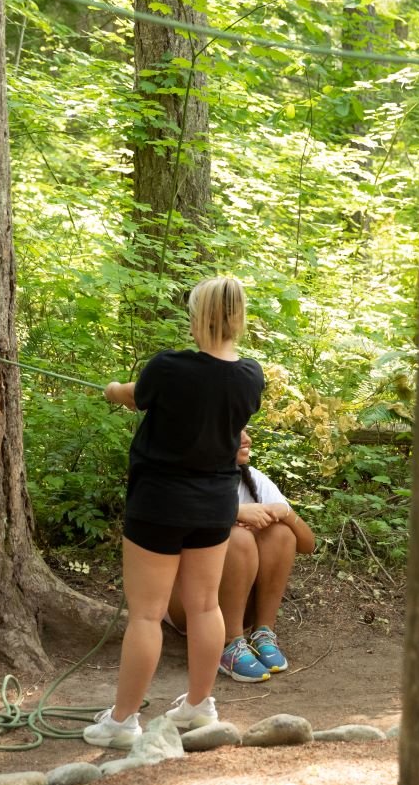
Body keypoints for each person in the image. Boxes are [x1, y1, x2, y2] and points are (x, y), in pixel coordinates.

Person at [87, 276, 266, 748]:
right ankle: (199, 706)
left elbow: (133, 395)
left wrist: (110, 389)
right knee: (206, 605)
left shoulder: (167, 367)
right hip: (214, 505)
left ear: (198, 316)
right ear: (237, 318)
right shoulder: (251, 375)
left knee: (146, 615)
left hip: (159, 503)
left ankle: (122, 722)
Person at [166, 429, 315, 681]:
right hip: (188, 603)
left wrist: (286, 512)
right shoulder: (185, 480)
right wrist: (233, 512)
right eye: (235, 432)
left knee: (281, 533)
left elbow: (307, 545)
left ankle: (263, 633)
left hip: (239, 603)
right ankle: (230, 643)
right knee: (238, 537)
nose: (246, 439)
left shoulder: (252, 479)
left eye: (246, 431)